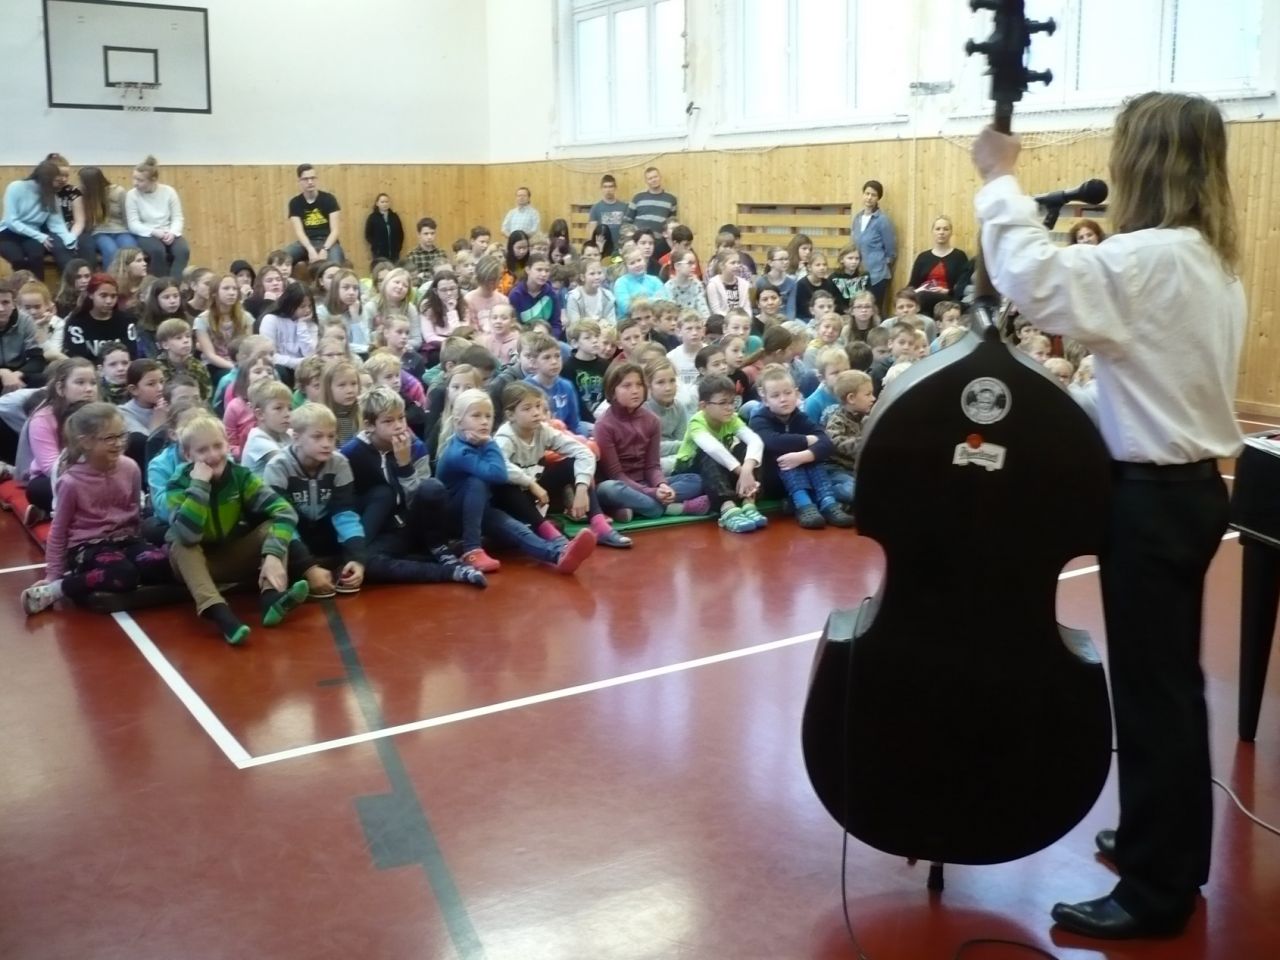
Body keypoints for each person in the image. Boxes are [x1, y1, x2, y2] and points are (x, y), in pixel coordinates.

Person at [973, 91, 1243, 941]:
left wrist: (999, 182)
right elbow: (1161, 388)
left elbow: (1034, 280)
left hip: (1153, 502)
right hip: (1188, 490)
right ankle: (1162, 846)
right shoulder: (1206, 259)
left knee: (1155, 698)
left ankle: (1158, 893)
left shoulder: (1151, 258)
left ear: (1142, 162)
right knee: (1167, 689)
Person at [165, 414, 309, 645]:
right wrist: (199, 485)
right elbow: (189, 535)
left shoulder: (241, 476)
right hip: (195, 566)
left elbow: (285, 511)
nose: (213, 455)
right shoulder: (177, 483)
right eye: (202, 450)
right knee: (181, 543)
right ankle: (218, 611)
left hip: (230, 558)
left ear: (227, 444)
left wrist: (273, 555)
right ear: (188, 455)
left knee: (272, 528)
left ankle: (271, 597)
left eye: (218, 446)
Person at [20, 402, 171, 615]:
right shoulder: (71, 482)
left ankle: (117, 570)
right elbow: (59, 529)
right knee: (123, 575)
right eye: (109, 438)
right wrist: (53, 574)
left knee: (160, 565)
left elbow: (135, 512)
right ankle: (60, 588)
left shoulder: (130, 468)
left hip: (126, 540)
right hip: (88, 546)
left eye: (122, 435)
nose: (119, 443)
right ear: (86, 442)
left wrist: (142, 547)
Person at [339, 387, 487, 588]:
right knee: (370, 564)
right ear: (369, 425)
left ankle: (439, 548)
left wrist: (405, 466)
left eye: (401, 418)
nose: (399, 426)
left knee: (432, 487)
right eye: (388, 421)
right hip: (382, 530)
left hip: (413, 522)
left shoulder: (415, 446)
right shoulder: (351, 454)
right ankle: (451, 572)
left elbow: (420, 498)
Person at [594, 362, 707, 519]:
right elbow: (616, 475)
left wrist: (662, 485)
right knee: (608, 488)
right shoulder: (604, 425)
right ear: (612, 391)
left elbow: (652, 466)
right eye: (627, 386)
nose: (635, 390)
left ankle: (635, 508)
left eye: (639, 384)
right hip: (621, 485)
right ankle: (672, 508)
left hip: (646, 483)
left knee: (695, 480)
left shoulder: (652, 420)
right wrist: (653, 493)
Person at [748, 365, 855, 527]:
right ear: (765, 400)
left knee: (810, 459)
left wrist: (804, 456)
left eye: (788, 393)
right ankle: (804, 505)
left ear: (796, 393)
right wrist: (806, 440)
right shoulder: (759, 420)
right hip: (773, 479)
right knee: (787, 456)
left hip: (807, 476)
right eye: (775, 395)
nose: (783, 399)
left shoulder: (800, 417)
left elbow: (826, 443)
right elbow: (773, 441)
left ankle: (828, 503)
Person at [0, 159, 79, 281]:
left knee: (36, 257)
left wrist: (69, 239)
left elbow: (57, 224)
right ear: (46, 180)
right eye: (57, 181)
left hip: (33, 235)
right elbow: (11, 221)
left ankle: (40, 290)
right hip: (8, 232)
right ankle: (20, 290)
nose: (60, 184)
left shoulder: (51, 195)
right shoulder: (16, 187)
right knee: (18, 260)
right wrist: (40, 236)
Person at [125, 156, 189, 278]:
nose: (135, 183)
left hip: (168, 231)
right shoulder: (132, 195)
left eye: (140, 180)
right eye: (134, 178)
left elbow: (177, 217)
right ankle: (160, 283)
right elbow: (133, 224)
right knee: (157, 251)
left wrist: (173, 233)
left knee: (183, 250)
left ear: (153, 180)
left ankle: (175, 282)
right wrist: (154, 232)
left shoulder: (169, 191)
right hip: (147, 233)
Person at [62, 273, 139, 362]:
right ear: (91, 295)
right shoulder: (76, 322)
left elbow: (132, 355)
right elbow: (76, 357)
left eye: (113, 296)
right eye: (103, 295)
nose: (109, 301)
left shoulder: (126, 321)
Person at [907, 216, 969, 318]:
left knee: (922, 297)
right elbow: (912, 285)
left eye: (945, 229)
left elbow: (963, 285)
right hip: (924, 299)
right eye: (938, 229)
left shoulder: (959, 256)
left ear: (951, 232)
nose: (941, 232)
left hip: (948, 299)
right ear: (932, 232)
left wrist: (947, 291)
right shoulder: (923, 257)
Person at [285, 164, 343, 265]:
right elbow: (299, 232)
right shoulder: (294, 203)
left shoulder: (329, 199)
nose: (310, 182)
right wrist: (310, 249)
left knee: (335, 264)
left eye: (312, 178)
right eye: (306, 179)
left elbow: (335, 231)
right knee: (280, 258)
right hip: (306, 243)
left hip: (328, 242)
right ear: (299, 181)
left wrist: (325, 249)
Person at [78, 167, 137, 265]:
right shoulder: (84, 194)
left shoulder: (118, 191)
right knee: (111, 251)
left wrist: (131, 231)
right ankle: (111, 275)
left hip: (121, 230)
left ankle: (131, 275)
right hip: (100, 232)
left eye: (82, 182)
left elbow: (127, 216)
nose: (81, 185)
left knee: (130, 250)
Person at [851, 179, 896, 309]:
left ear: (878, 198)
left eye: (873, 195)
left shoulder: (882, 220)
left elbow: (890, 250)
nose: (869, 197)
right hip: (858, 273)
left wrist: (882, 266)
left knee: (874, 309)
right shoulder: (857, 218)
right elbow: (852, 245)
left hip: (877, 275)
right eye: (867, 193)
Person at [626, 167, 677, 234]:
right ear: (646, 181)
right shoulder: (638, 197)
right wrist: (630, 236)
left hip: (659, 239)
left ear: (660, 177)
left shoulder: (671, 199)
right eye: (650, 178)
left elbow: (672, 223)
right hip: (639, 238)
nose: (653, 180)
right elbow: (627, 220)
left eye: (655, 177)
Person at [401, 217, 449, 287]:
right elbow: (410, 278)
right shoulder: (412, 255)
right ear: (419, 235)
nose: (430, 237)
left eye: (432, 233)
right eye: (426, 234)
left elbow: (447, 273)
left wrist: (423, 275)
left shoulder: (441, 253)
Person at [586, 174, 629, 248]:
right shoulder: (596, 208)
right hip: (603, 248)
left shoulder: (624, 207)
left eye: (610, 186)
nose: (608, 190)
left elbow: (628, 229)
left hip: (620, 248)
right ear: (601, 188)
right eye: (605, 187)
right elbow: (591, 232)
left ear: (615, 188)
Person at [364, 193, 404, 265]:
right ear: (377, 203)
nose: (385, 204)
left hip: (394, 253)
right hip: (379, 254)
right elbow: (368, 234)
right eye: (382, 202)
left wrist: (398, 247)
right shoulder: (372, 218)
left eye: (386, 202)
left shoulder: (394, 217)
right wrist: (376, 245)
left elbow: (400, 233)